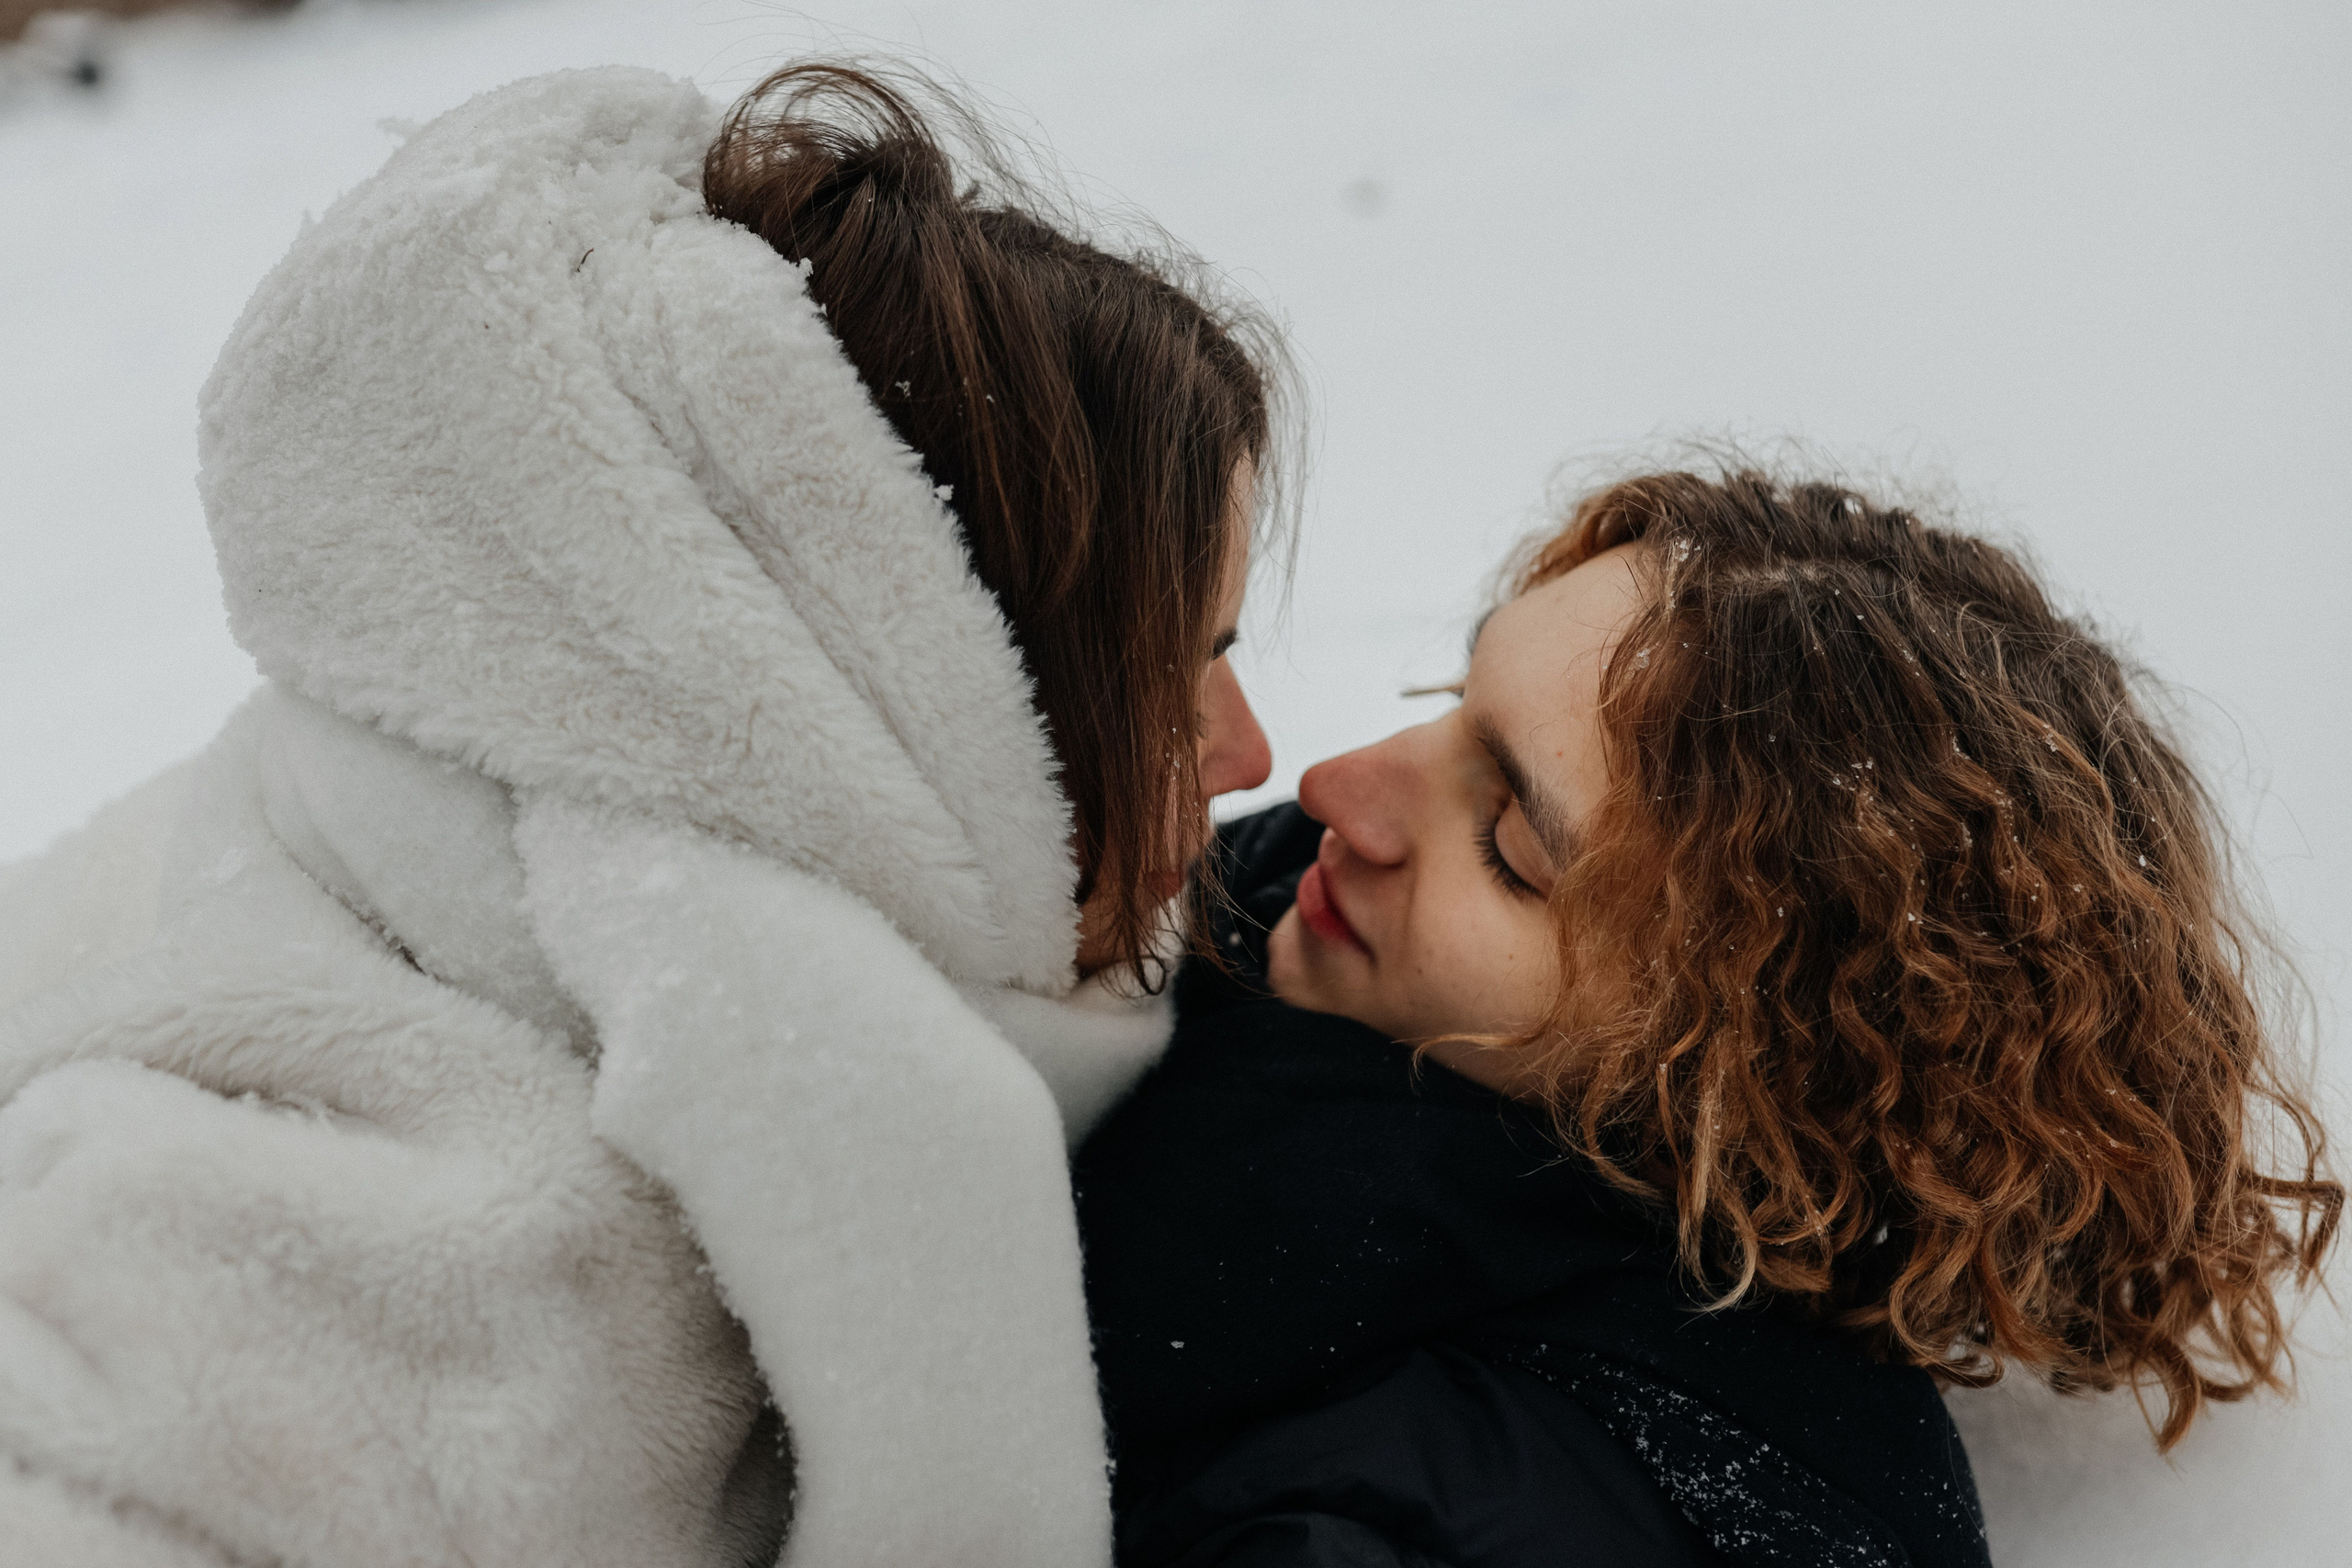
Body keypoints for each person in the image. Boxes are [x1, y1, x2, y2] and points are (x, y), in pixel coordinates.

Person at [0, 62, 1282, 1567]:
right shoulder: (453, 1297)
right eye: (1179, 674)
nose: (1250, 757)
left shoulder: (354, 816)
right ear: (930, 695)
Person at [1077, 465, 2341, 1567]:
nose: (1334, 785)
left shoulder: (1526, 1506)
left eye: (1513, 846)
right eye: (1448, 710)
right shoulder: (1234, 919)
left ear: (1746, 1073)